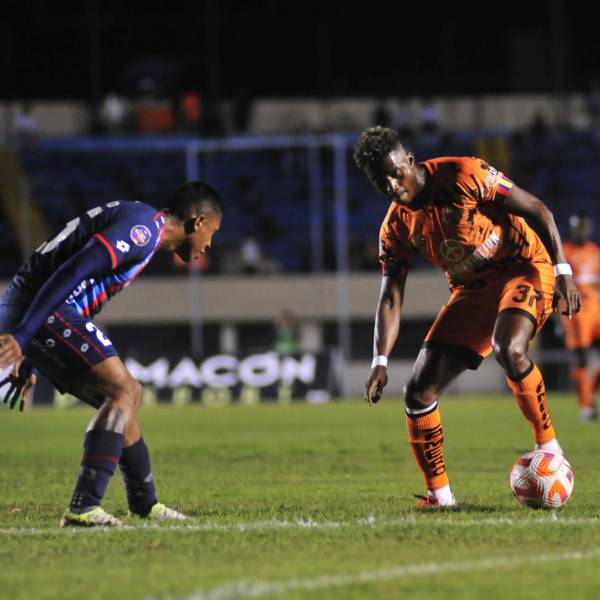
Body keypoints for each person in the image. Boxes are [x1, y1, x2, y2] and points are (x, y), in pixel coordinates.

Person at [353, 126, 581, 508]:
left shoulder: (464, 174)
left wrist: (563, 271)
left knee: (508, 348)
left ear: (410, 161)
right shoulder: (395, 227)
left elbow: (537, 209)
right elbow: (391, 296)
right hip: (472, 291)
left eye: (395, 173)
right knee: (418, 392)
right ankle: (440, 498)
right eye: (381, 181)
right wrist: (380, 360)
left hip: (524, 267)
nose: (392, 185)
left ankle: (549, 446)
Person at [0, 182, 223, 526]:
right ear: (199, 222)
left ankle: (145, 505)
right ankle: (84, 508)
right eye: (213, 233)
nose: (209, 245)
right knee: (123, 391)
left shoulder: (143, 225)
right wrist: (24, 334)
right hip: (42, 308)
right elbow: (74, 269)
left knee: (126, 398)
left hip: (35, 308)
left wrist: (29, 351)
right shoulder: (142, 230)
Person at [561, 212, 600, 420]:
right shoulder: (564, 252)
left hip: (596, 309)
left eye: (584, 227)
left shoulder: (594, 251)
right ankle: (586, 407)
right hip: (576, 311)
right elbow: (557, 284)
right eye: (578, 227)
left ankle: (589, 394)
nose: (582, 231)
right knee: (581, 358)